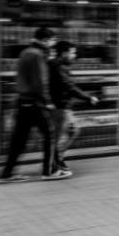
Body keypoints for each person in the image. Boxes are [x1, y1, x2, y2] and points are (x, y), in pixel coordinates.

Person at [0, 28, 66, 182]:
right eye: (53, 40)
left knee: (19, 139)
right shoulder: (37, 55)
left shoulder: (25, 52)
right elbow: (41, 82)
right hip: (36, 102)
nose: (53, 43)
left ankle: (6, 173)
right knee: (50, 134)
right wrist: (48, 102)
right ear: (46, 39)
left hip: (23, 102)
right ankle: (50, 171)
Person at [49, 41, 100, 176]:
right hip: (59, 107)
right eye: (73, 53)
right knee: (62, 136)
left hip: (63, 106)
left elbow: (69, 86)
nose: (74, 56)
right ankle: (54, 164)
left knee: (72, 131)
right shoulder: (57, 66)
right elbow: (69, 87)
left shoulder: (60, 65)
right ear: (65, 53)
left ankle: (57, 159)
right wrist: (88, 97)